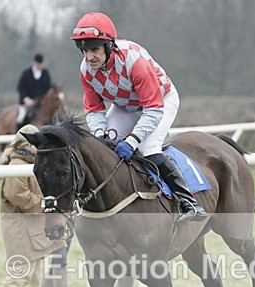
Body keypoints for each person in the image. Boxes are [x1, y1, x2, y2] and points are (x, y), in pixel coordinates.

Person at [70, 11, 207, 226]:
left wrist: (132, 141)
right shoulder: (86, 70)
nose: (89, 57)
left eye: (94, 49)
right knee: (105, 147)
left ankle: (188, 202)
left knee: (148, 147)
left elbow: (152, 109)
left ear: (108, 46)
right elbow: (94, 110)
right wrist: (99, 136)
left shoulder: (134, 61)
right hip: (125, 106)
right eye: (84, 51)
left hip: (160, 102)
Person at [0, 124, 65, 287]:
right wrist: (44, 203)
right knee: (20, 273)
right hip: (18, 228)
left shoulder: (31, 164)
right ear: (27, 144)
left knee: (34, 274)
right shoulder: (17, 166)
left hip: (30, 227)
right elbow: (17, 195)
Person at [16, 53, 53, 127]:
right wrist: (26, 99)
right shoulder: (26, 73)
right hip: (27, 103)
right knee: (21, 117)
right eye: (38, 63)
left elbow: (49, 88)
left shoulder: (45, 73)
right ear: (34, 63)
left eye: (41, 63)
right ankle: (18, 132)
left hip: (40, 103)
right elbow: (20, 87)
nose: (40, 65)